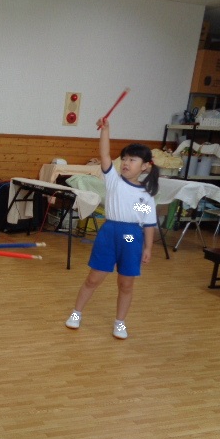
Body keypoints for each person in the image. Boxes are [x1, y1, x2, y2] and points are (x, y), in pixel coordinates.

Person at [65, 118, 159, 339]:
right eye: (124, 158)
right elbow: (105, 154)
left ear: (145, 166)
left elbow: (147, 222)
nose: (126, 163)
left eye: (132, 159)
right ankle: (76, 313)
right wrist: (105, 130)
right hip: (110, 234)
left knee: (126, 284)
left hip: (130, 237)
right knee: (93, 279)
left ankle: (120, 323)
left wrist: (148, 248)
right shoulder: (114, 181)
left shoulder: (145, 196)